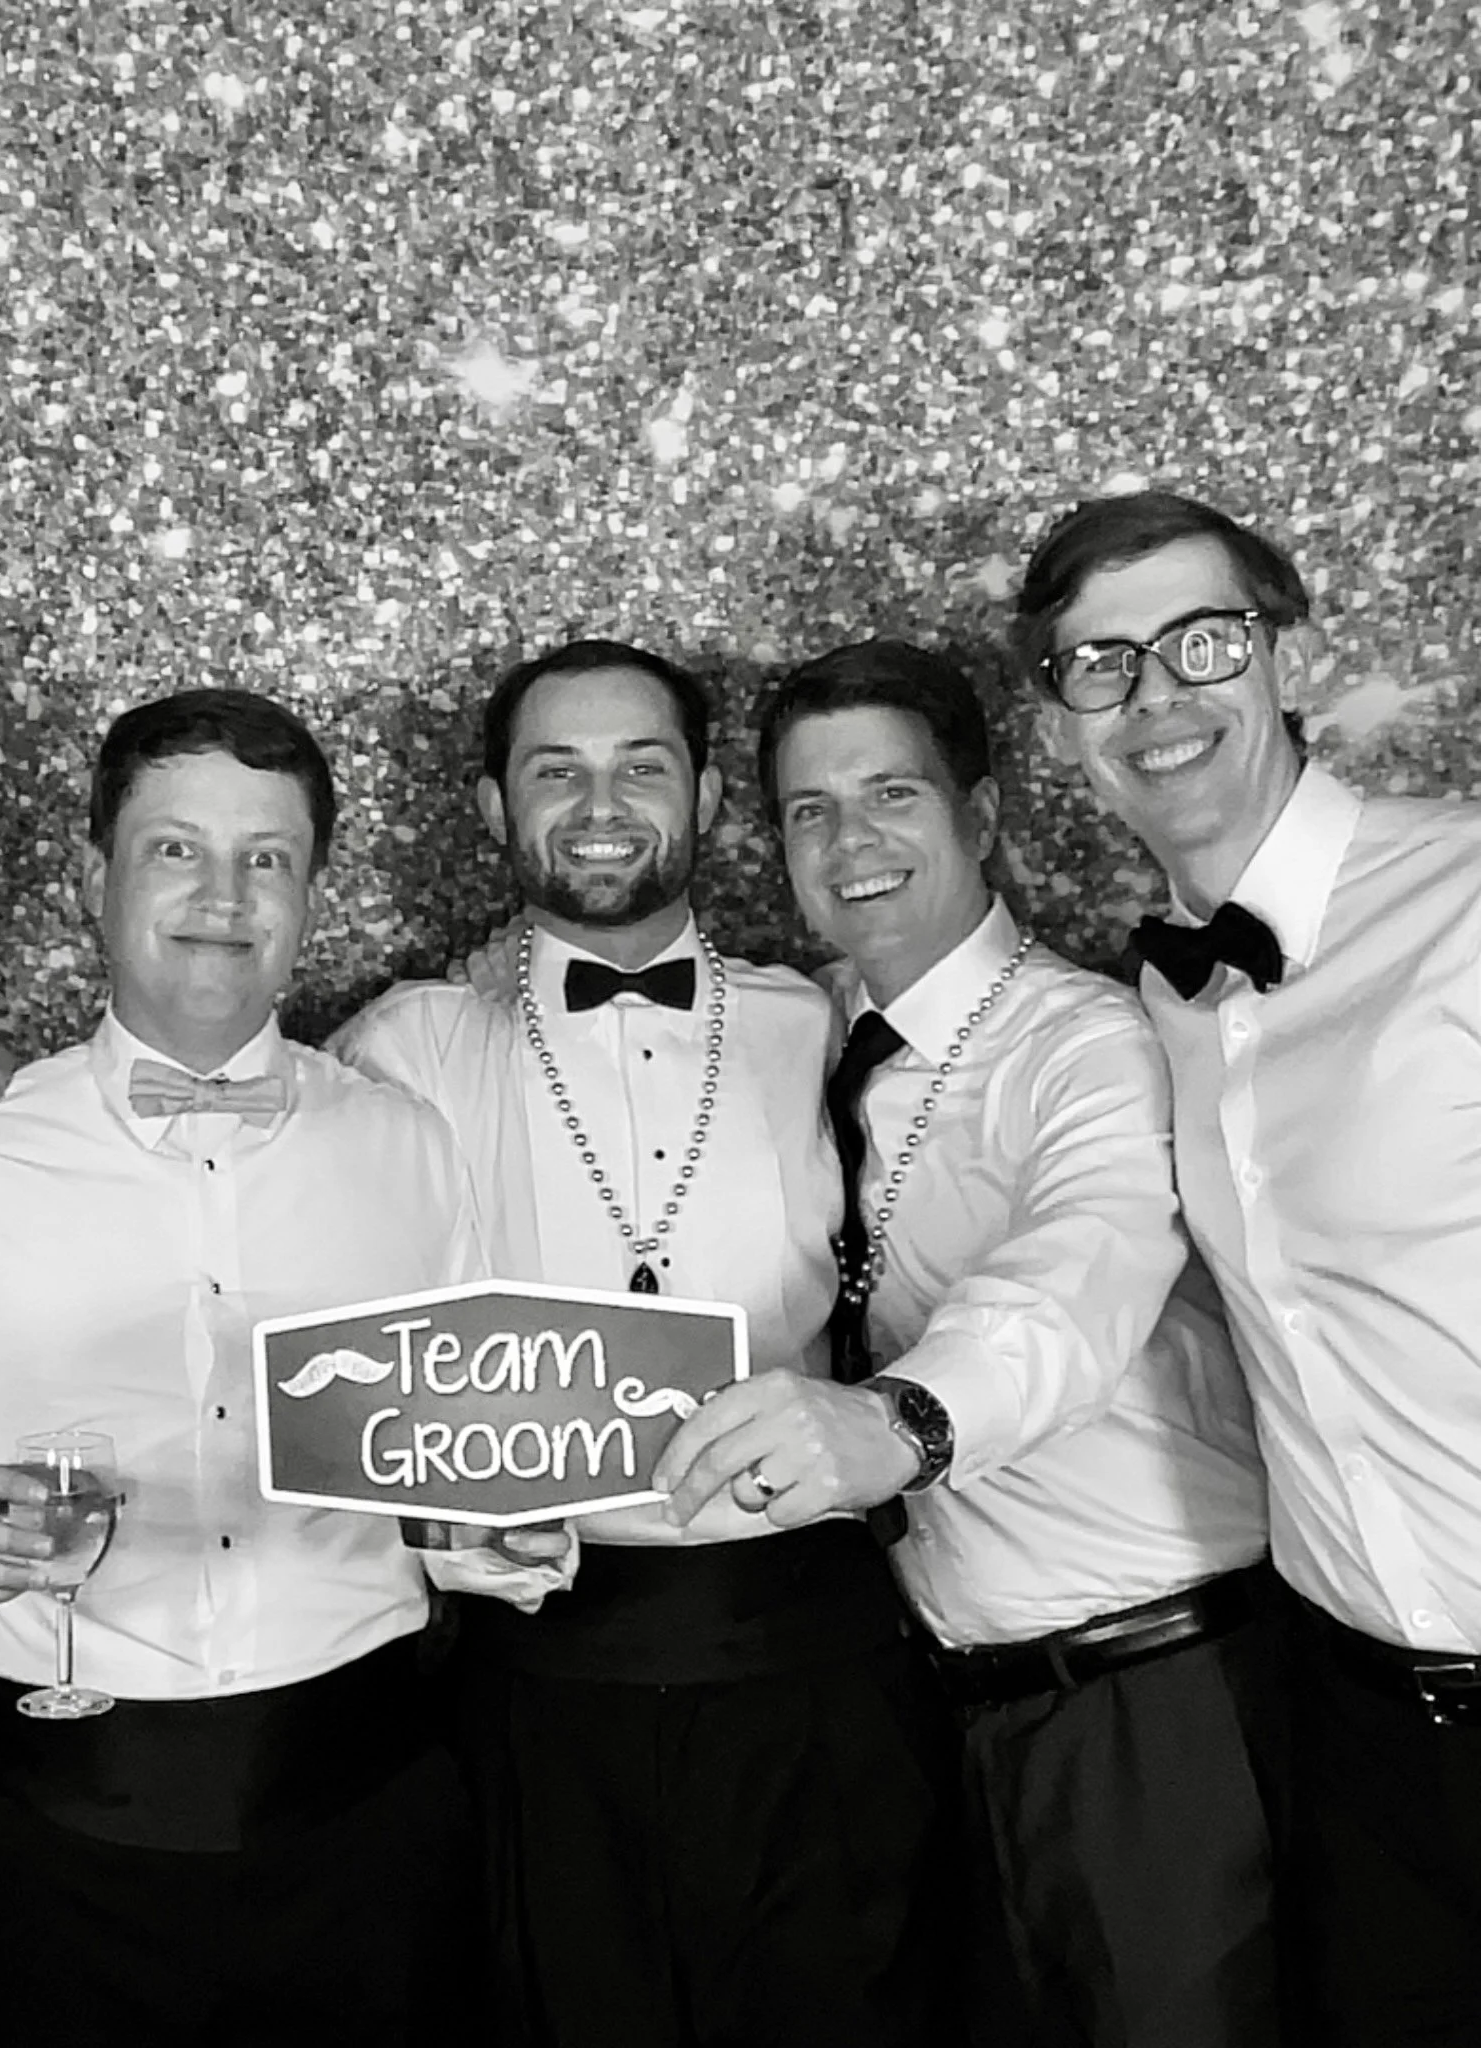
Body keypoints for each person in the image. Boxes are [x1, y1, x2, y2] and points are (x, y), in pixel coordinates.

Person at [0, 688, 510, 2048]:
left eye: (267, 857)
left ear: (313, 893)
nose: (223, 893)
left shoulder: (414, 1148)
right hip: (49, 1837)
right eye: (176, 849)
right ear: (96, 876)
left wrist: (505, 1521)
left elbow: (468, 1477)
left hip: (369, 1827)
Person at [658, 638, 1287, 2047]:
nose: (850, 840)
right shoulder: (799, 1031)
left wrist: (899, 1429)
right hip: (938, 1715)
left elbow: (1077, 1276)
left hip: (1152, 1706)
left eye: (892, 795)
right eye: (811, 810)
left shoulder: (1085, 1042)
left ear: (983, 818)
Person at [329, 639, 956, 2048]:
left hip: (818, 1647)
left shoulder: (827, 1021)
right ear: (495, 809)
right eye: (556, 770)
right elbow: (323, 1328)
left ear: (711, 797)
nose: (598, 802)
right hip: (541, 1669)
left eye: (641, 766)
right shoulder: (402, 1046)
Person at [1015, 490, 1481, 2048]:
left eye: (1201, 642)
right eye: (1101, 664)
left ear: (1282, 655)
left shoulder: (1470, 897)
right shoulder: (1146, 1010)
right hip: (1354, 1720)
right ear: (1064, 719)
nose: (1155, 698)